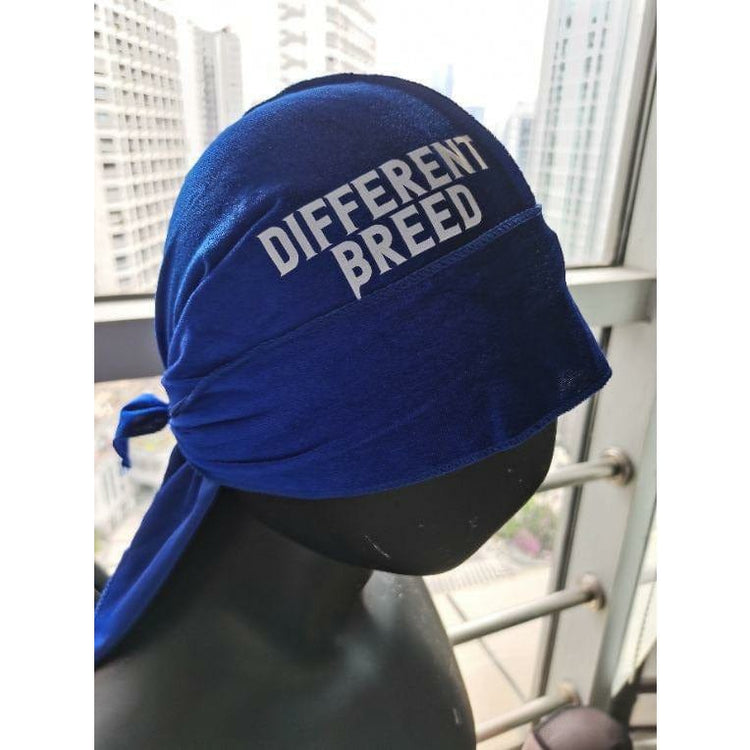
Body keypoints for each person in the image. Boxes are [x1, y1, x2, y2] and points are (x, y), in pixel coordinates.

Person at [95, 73, 611, 748]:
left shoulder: (385, 574)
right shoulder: (140, 729)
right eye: (425, 404)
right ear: (263, 420)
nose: (516, 431)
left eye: (524, 354)